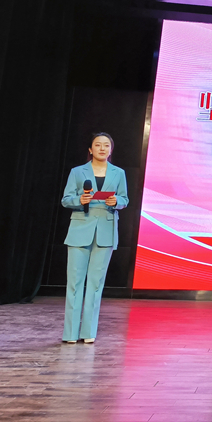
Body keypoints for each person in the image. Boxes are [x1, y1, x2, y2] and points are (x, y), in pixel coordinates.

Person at [61, 132, 129, 344]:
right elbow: (66, 199)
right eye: (98, 145)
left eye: (106, 145)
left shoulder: (119, 173)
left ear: (111, 149)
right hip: (80, 228)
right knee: (75, 282)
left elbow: (125, 199)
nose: (102, 148)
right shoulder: (77, 171)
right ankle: (70, 333)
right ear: (90, 149)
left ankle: (88, 332)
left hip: (106, 230)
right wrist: (79, 200)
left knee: (96, 283)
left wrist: (116, 202)